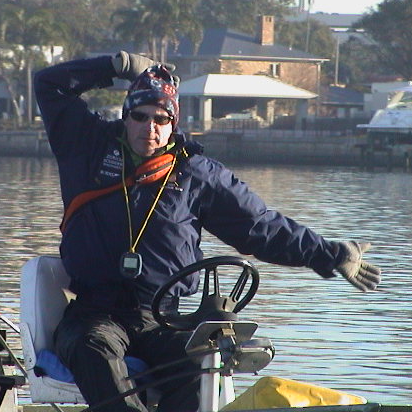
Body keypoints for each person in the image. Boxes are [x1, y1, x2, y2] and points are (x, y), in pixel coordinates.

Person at [34, 51, 381, 412]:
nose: (149, 127)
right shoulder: (85, 145)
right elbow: (50, 84)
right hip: (94, 314)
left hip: (161, 318)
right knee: (94, 349)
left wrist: (330, 254)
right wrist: (115, 65)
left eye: (161, 118)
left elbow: (261, 227)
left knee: (198, 363)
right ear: (126, 116)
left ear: (173, 124)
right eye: (139, 116)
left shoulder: (197, 174)